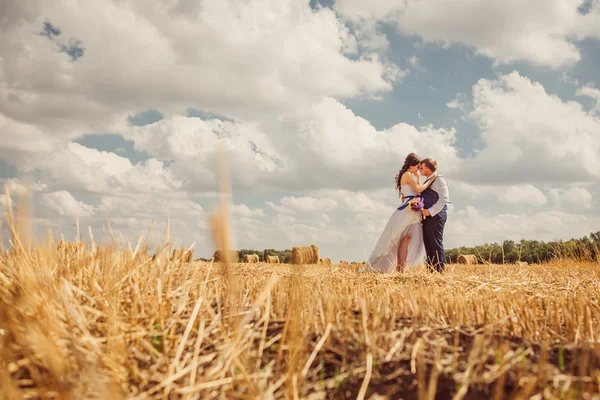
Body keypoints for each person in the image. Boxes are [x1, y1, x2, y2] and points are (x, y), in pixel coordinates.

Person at [364, 153, 435, 273]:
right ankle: (400, 267)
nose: (418, 169)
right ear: (412, 166)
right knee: (404, 238)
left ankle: (401, 268)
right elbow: (418, 190)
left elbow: (416, 192)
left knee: (406, 239)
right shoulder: (407, 174)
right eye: (418, 167)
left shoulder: (409, 175)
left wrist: (418, 179)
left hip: (411, 209)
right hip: (408, 211)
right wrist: (431, 180)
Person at [418, 158, 450, 273]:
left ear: (427, 168)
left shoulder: (439, 180)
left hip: (436, 216)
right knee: (428, 243)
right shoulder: (428, 181)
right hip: (427, 217)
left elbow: (444, 198)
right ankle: (431, 271)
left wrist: (430, 211)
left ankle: (439, 271)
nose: (419, 170)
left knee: (435, 243)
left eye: (421, 168)